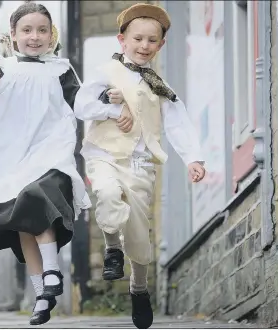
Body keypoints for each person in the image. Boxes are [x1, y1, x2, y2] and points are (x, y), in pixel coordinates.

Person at [0, 2, 90, 326]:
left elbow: (83, 105)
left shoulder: (61, 70)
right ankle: (42, 294)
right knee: (24, 222)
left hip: (50, 150)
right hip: (9, 157)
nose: (35, 36)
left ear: (51, 34)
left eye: (42, 30)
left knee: (38, 195)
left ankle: (52, 271)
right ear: (13, 35)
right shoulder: (0, 67)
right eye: (27, 30)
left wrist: (110, 106)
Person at [74, 3, 206, 329]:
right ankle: (111, 249)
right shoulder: (106, 72)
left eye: (151, 41)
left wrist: (193, 158)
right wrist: (109, 108)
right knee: (105, 192)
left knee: (137, 227)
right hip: (104, 152)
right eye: (137, 39)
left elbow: (178, 123)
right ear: (122, 40)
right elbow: (81, 105)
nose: (144, 46)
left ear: (160, 45)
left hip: (139, 162)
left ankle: (139, 287)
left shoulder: (160, 87)